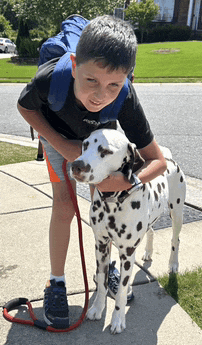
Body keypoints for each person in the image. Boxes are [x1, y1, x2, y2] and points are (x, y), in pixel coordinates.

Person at [17, 15, 167, 329]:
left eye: (114, 84)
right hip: (58, 137)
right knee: (65, 205)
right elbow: (25, 106)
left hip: (99, 141)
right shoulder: (49, 79)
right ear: (74, 64)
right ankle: (56, 283)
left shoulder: (124, 98)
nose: (101, 94)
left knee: (103, 205)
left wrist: (125, 181)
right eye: (91, 81)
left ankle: (107, 270)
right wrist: (63, 145)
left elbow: (158, 161)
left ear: (129, 79)